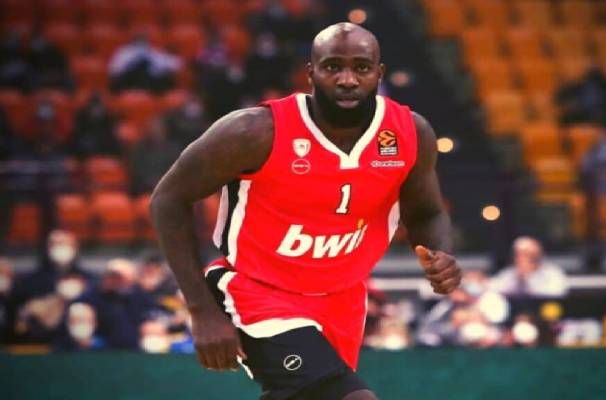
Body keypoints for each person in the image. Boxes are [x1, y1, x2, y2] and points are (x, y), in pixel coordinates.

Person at [151, 23, 462, 400]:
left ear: (379, 73)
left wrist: (441, 254)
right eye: (333, 67)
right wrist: (201, 309)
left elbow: (427, 213)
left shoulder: (410, 133)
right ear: (311, 73)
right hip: (256, 290)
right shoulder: (253, 131)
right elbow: (168, 199)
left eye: (361, 68)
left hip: (343, 297)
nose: (347, 79)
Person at [488, 236, 568, 298]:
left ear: (537, 255)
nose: (520, 258)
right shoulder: (510, 273)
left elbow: (556, 294)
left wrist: (528, 278)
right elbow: (495, 290)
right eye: (517, 254)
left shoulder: (553, 274)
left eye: (526, 254)